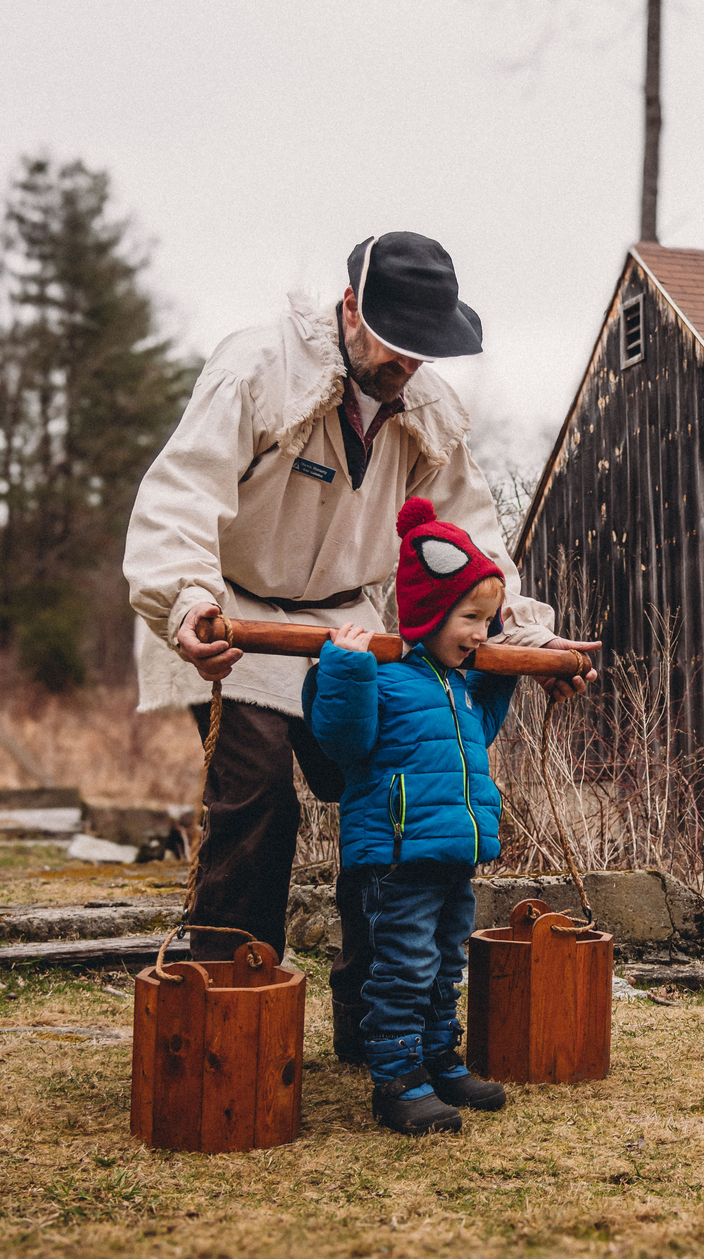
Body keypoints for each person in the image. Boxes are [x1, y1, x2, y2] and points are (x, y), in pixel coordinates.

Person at [123, 233, 597, 1062]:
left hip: (350, 628)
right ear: (350, 307)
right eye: (393, 340)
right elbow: (181, 492)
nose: (406, 362)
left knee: (391, 787)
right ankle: (231, 1013)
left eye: (422, 348)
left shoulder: (430, 414)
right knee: (259, 789)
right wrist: (187, 598)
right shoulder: (257, 371)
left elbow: (469, 540)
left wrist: (521, 632)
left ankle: (379, 1024)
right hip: (234, 613)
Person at [303, 501, 515, 1134]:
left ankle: (436, 1058)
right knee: (402, 967)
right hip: (393, 860)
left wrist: (502, 674)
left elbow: (481, 734)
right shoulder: (386, 674)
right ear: (428, 610)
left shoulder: (457, 684)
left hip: (450, 856)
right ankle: (395, 1077)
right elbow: (342, 745)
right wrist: (343, 667)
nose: (481, 632)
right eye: (470, 617)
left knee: (445, 962)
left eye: (489, 620)